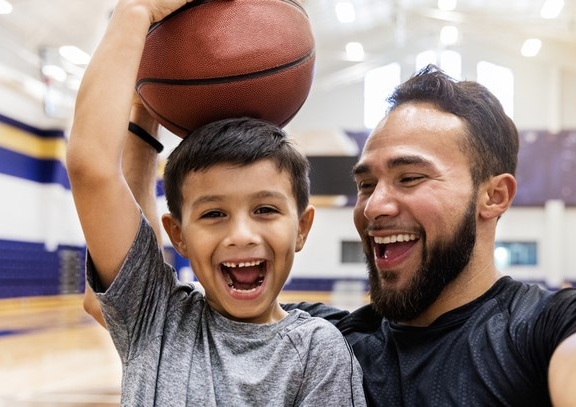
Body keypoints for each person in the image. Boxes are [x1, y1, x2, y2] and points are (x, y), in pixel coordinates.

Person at [83, 54, 576, 405]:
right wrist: (148, 122)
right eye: (366, 183)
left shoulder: (549, 327)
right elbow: (127, 285)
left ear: (493, 197)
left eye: (410, 178)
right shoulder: (326, 339)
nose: (375, 205)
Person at [67, 0, 366, 405]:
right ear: (179, 235)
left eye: (265, 209)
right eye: (213, 214)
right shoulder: (156, 318)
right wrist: (135, 13)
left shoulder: (318, 351)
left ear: (302, 227)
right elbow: (92, 166)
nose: (241, 235)